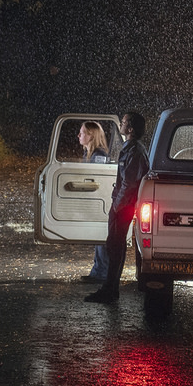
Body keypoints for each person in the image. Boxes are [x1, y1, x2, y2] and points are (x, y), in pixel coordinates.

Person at [85, 111, 149, 304]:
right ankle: (110, 288)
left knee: (115, 245)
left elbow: (129, 183)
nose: (120, 124)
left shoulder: (134, 151)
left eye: (123, 122)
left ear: (130, 129)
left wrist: (117, 206)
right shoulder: (131, 148)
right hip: (124, 205)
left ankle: (110, 290)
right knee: (115, 245)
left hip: (124, 206)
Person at [78, 121, 112, 283]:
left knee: (101, 237)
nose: (79, 136)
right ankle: (98, 271)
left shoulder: (98, 155)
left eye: (83, 132)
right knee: (99, 238)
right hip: (96, 200)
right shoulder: (90, 154)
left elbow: (97, 178)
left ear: (91, 135)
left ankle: (102, 273)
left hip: (101, 201)